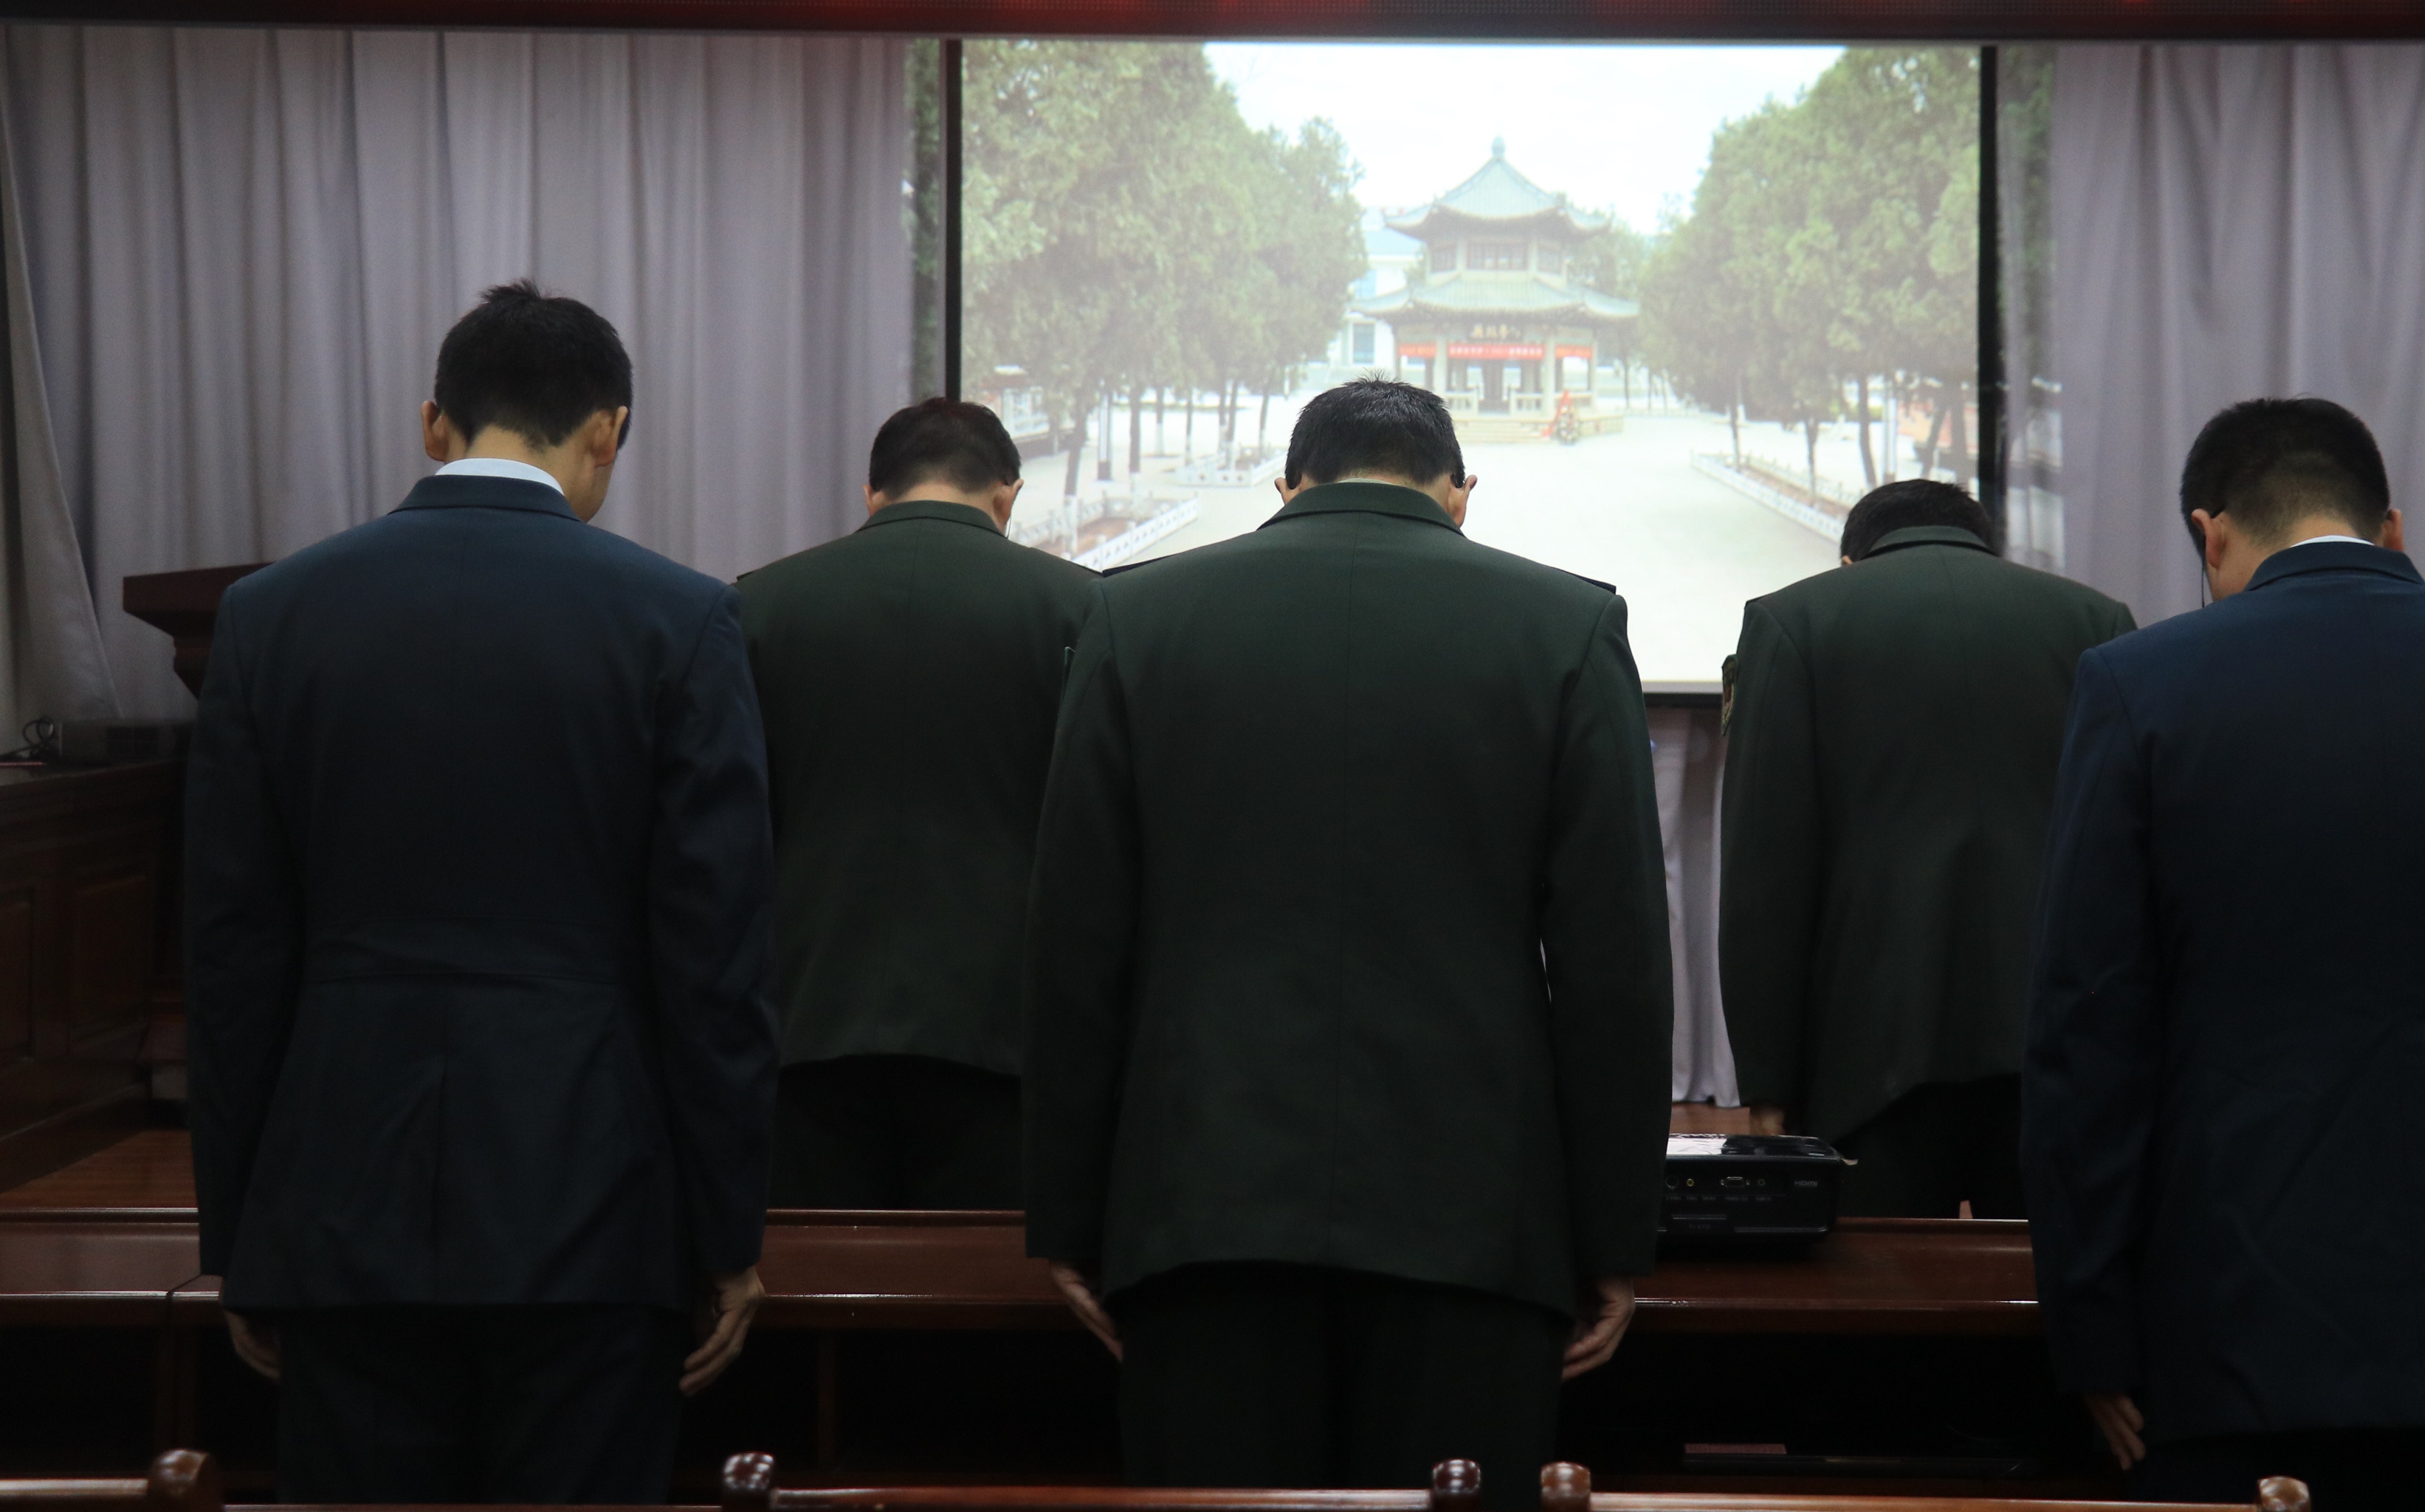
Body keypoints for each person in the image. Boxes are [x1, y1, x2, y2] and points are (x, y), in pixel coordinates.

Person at [2023, 397, 2425, 1511]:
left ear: (2209, 536)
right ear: (2392, 526)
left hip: (2220, 1341)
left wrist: (2090, 1331)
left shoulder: (2138, 688)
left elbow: (2086, 1034)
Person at [1024, 378, 1671, 1509]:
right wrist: (1615, 1234)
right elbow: (1612, 960)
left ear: (1287, 486)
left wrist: (1070, 1216)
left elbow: (1076, 939)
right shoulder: (1566, 623)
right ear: (1460, 493)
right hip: (1476, 1219)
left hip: (1200, 1212)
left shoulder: (1135, 615)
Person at [184, 282, 778, 1504]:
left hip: (339, 1202)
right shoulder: (680, 620)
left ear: (433, 423)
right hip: (593, 1204)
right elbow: (714, 963)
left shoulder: (270, 616)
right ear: (608, 429)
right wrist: (726, 1233)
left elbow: (233, 955)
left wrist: (241, 1236)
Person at [1719, 479, 2133, 1217]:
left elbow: (1766, 873)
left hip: (1867, 1056)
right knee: (2043, 1282)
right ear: (1986, 545)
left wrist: (1768, 1081)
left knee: (1884, 1284)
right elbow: (2123, 854)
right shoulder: (2094, 619)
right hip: (2059, 1047)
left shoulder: (1792, 620)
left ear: (1852, 560)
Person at [737, 397, 1093, 1208]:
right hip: (1008, 1042)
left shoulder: (755, 607)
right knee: (980, 1283)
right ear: (1008, 495)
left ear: (872, 493)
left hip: (801, 1033)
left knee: (813, 1277)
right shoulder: (1083, 609)